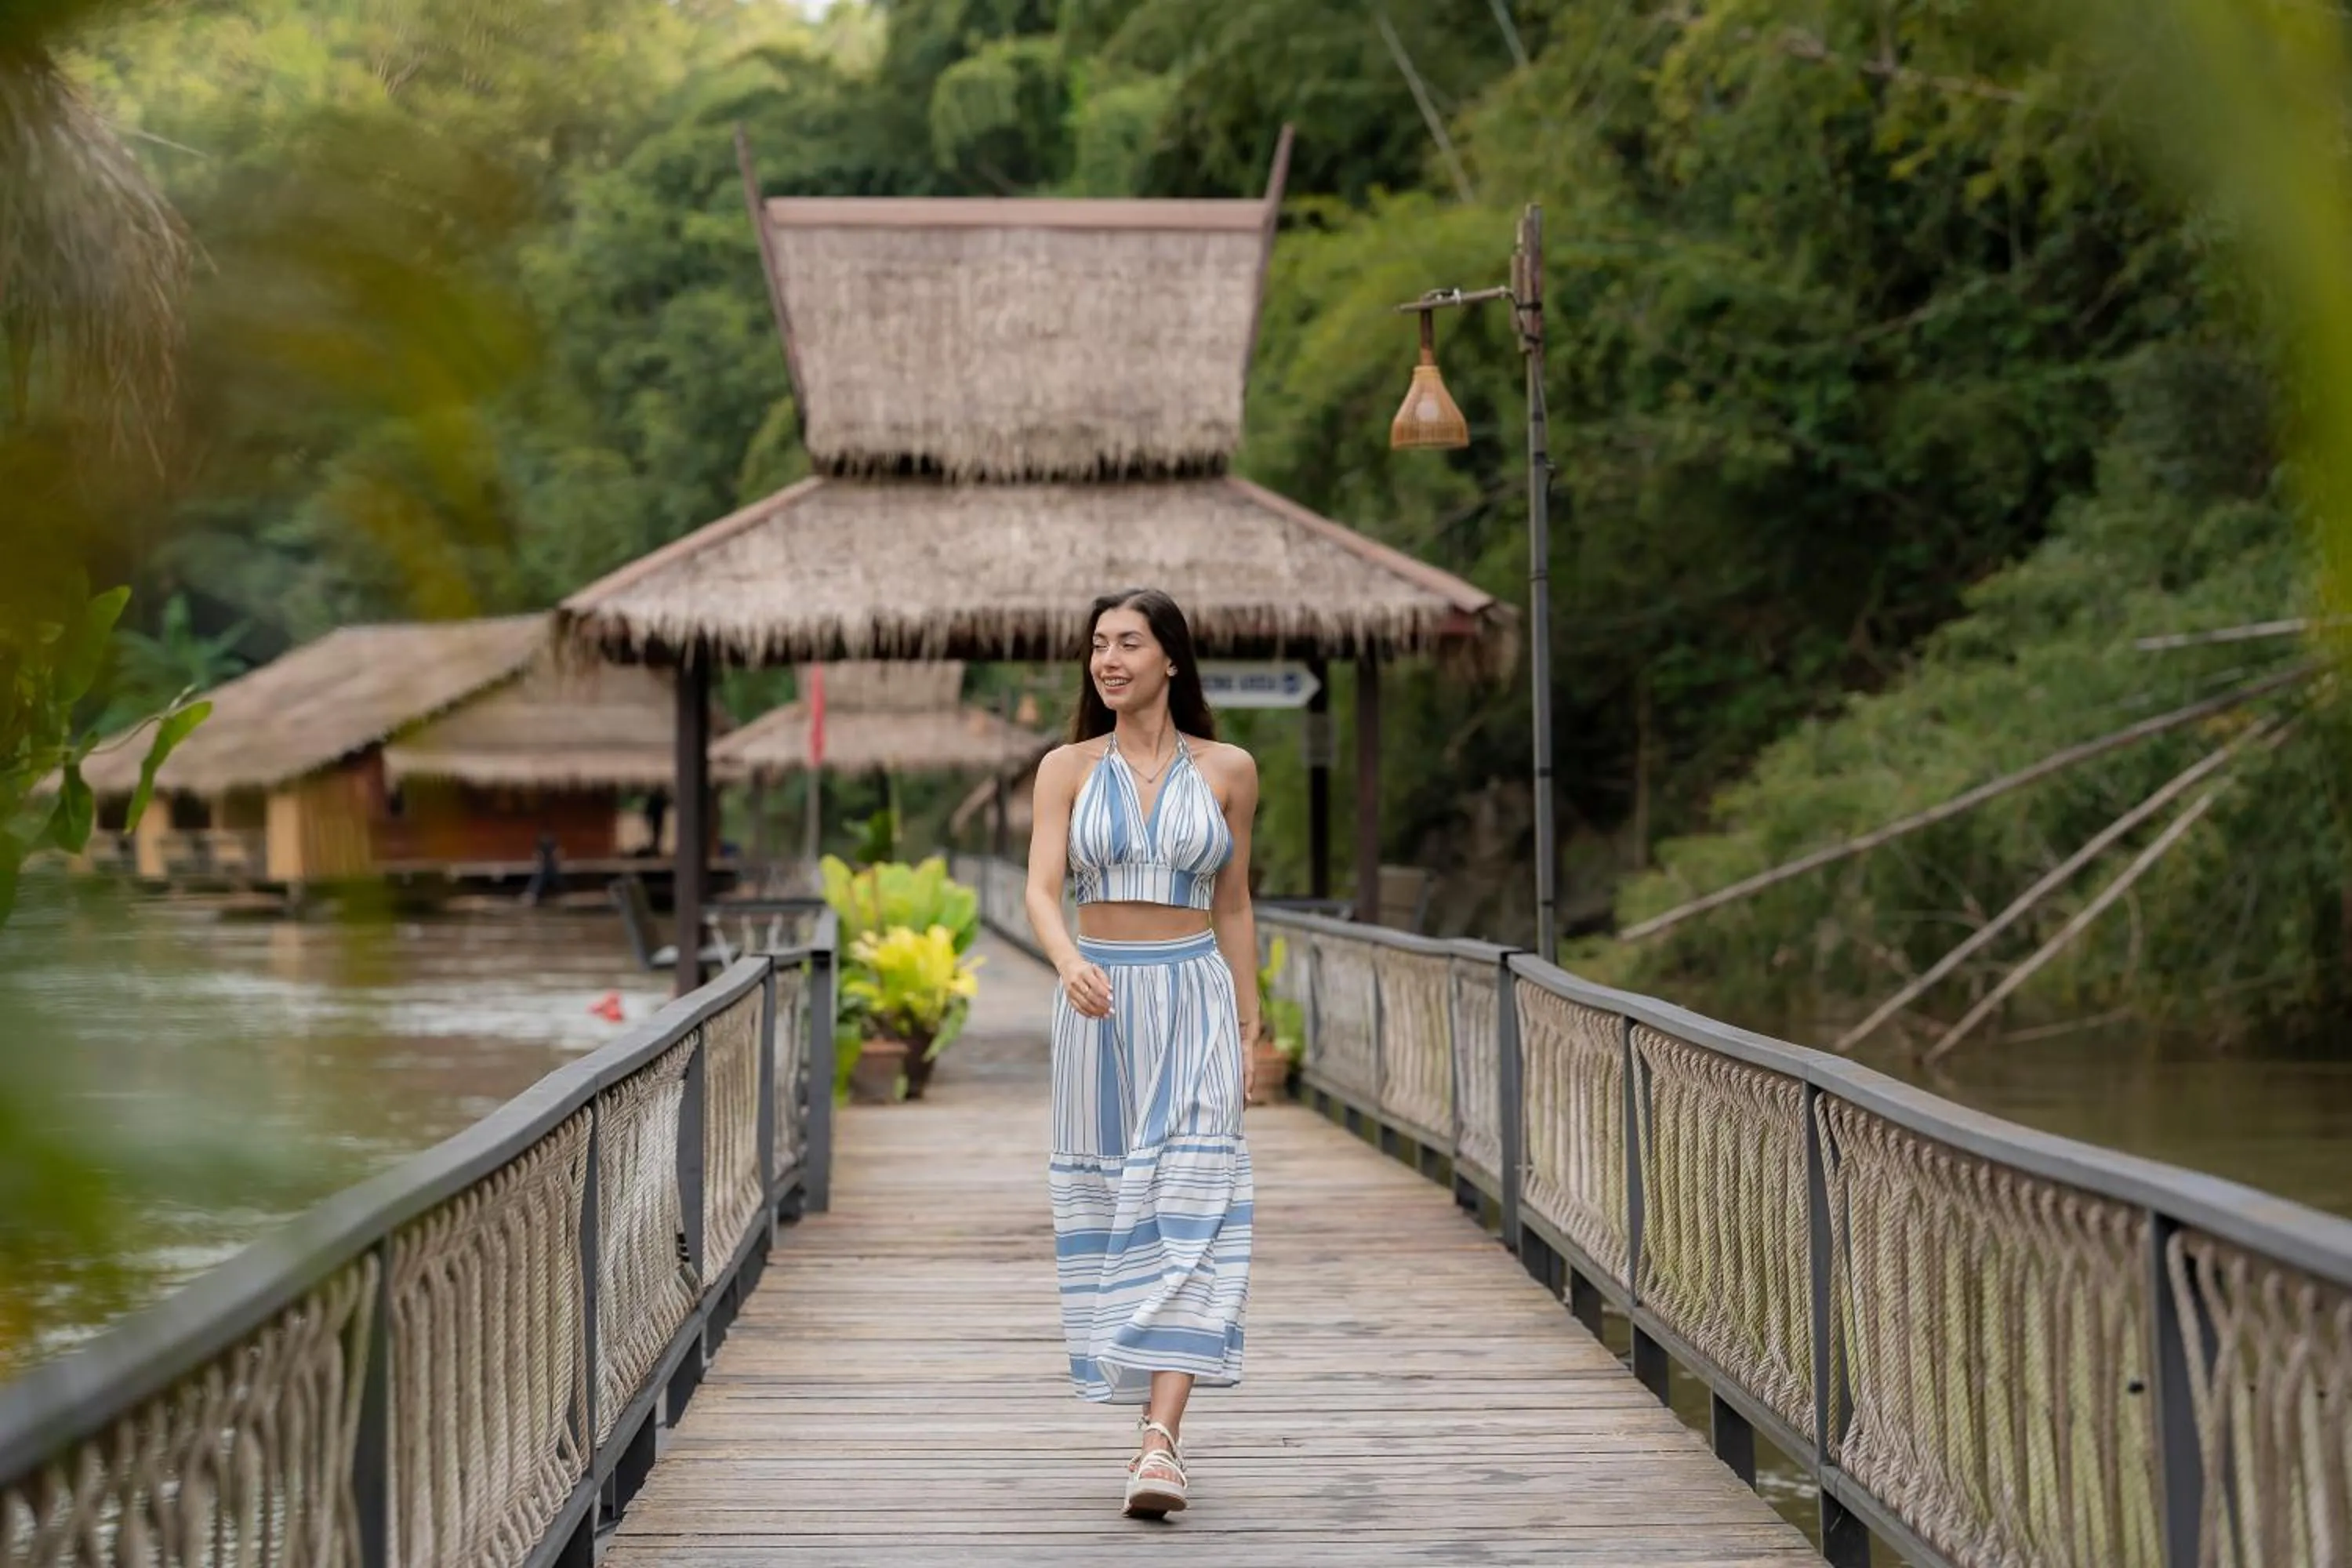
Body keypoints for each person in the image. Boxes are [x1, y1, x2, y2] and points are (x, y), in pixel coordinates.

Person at [1025, 587, 1258, 1520]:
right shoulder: (1066, 767)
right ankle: (1143, 1404)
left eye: (1128, 642)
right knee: (1114, 1193)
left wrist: (1250, 1024)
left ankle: (1161, 1441)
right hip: (1099, 1004)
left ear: (1171, 656)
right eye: (1097, 645)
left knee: (1196, 1198)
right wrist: (1070, 958)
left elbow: (1235, 903)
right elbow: (1041, 888)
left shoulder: (1232, 768)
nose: (1109, 659)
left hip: (1196, 997)